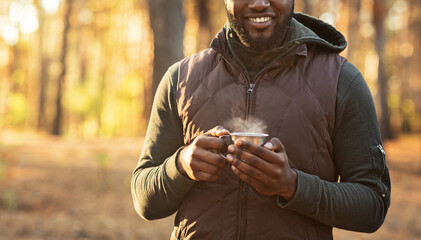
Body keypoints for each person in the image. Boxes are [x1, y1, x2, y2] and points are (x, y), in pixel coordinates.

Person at [131, 0, 391, 239]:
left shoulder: (341, 81)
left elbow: (372, 205)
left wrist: (292, 185)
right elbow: (144, 200)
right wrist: (181, 166)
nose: (259, 3)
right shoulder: (181, 79)